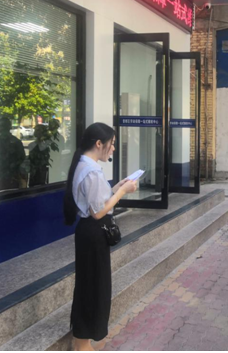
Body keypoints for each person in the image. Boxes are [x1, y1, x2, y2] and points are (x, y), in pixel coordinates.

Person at [63, 123, 137, 351]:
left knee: (90, 284)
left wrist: (117, 188)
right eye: (111, 144)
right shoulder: (92, 170)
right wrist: (122, 192)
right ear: (98, 143)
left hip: (89, 233)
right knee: (93, 287)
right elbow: (97, 212)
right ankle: (82, 342)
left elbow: (97, 201)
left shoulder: (84, 165)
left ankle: (81, 339)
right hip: (93, 233)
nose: (113, 148)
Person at [0, 117, 26, 190]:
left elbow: (22, 158)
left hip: (12, 176)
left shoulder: (16, 142)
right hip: (1, 175)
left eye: (2, 126)